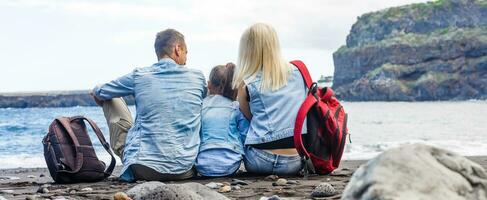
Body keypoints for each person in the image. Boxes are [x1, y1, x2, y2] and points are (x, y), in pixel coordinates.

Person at [91, 29, 206, 182]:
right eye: (186, 52)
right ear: (178, 49)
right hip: (185, 169)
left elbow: (99, 92)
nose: (186, 60)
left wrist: (100, 95)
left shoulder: (139, 75)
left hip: (142, 168)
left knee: (112, 98)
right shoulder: (198, 77)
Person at [232, 23, 308, 175]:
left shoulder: (246, 82)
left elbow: (249, 117)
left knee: (236, 112)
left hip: (258, 161)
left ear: (247, 50)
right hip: (294, 160)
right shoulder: (299, 73)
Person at [195, 63, 249, 177]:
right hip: (231, 164)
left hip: (202, 165)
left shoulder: (199, 107)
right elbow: (245, 135)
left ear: (209, 85)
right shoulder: (235, 107)